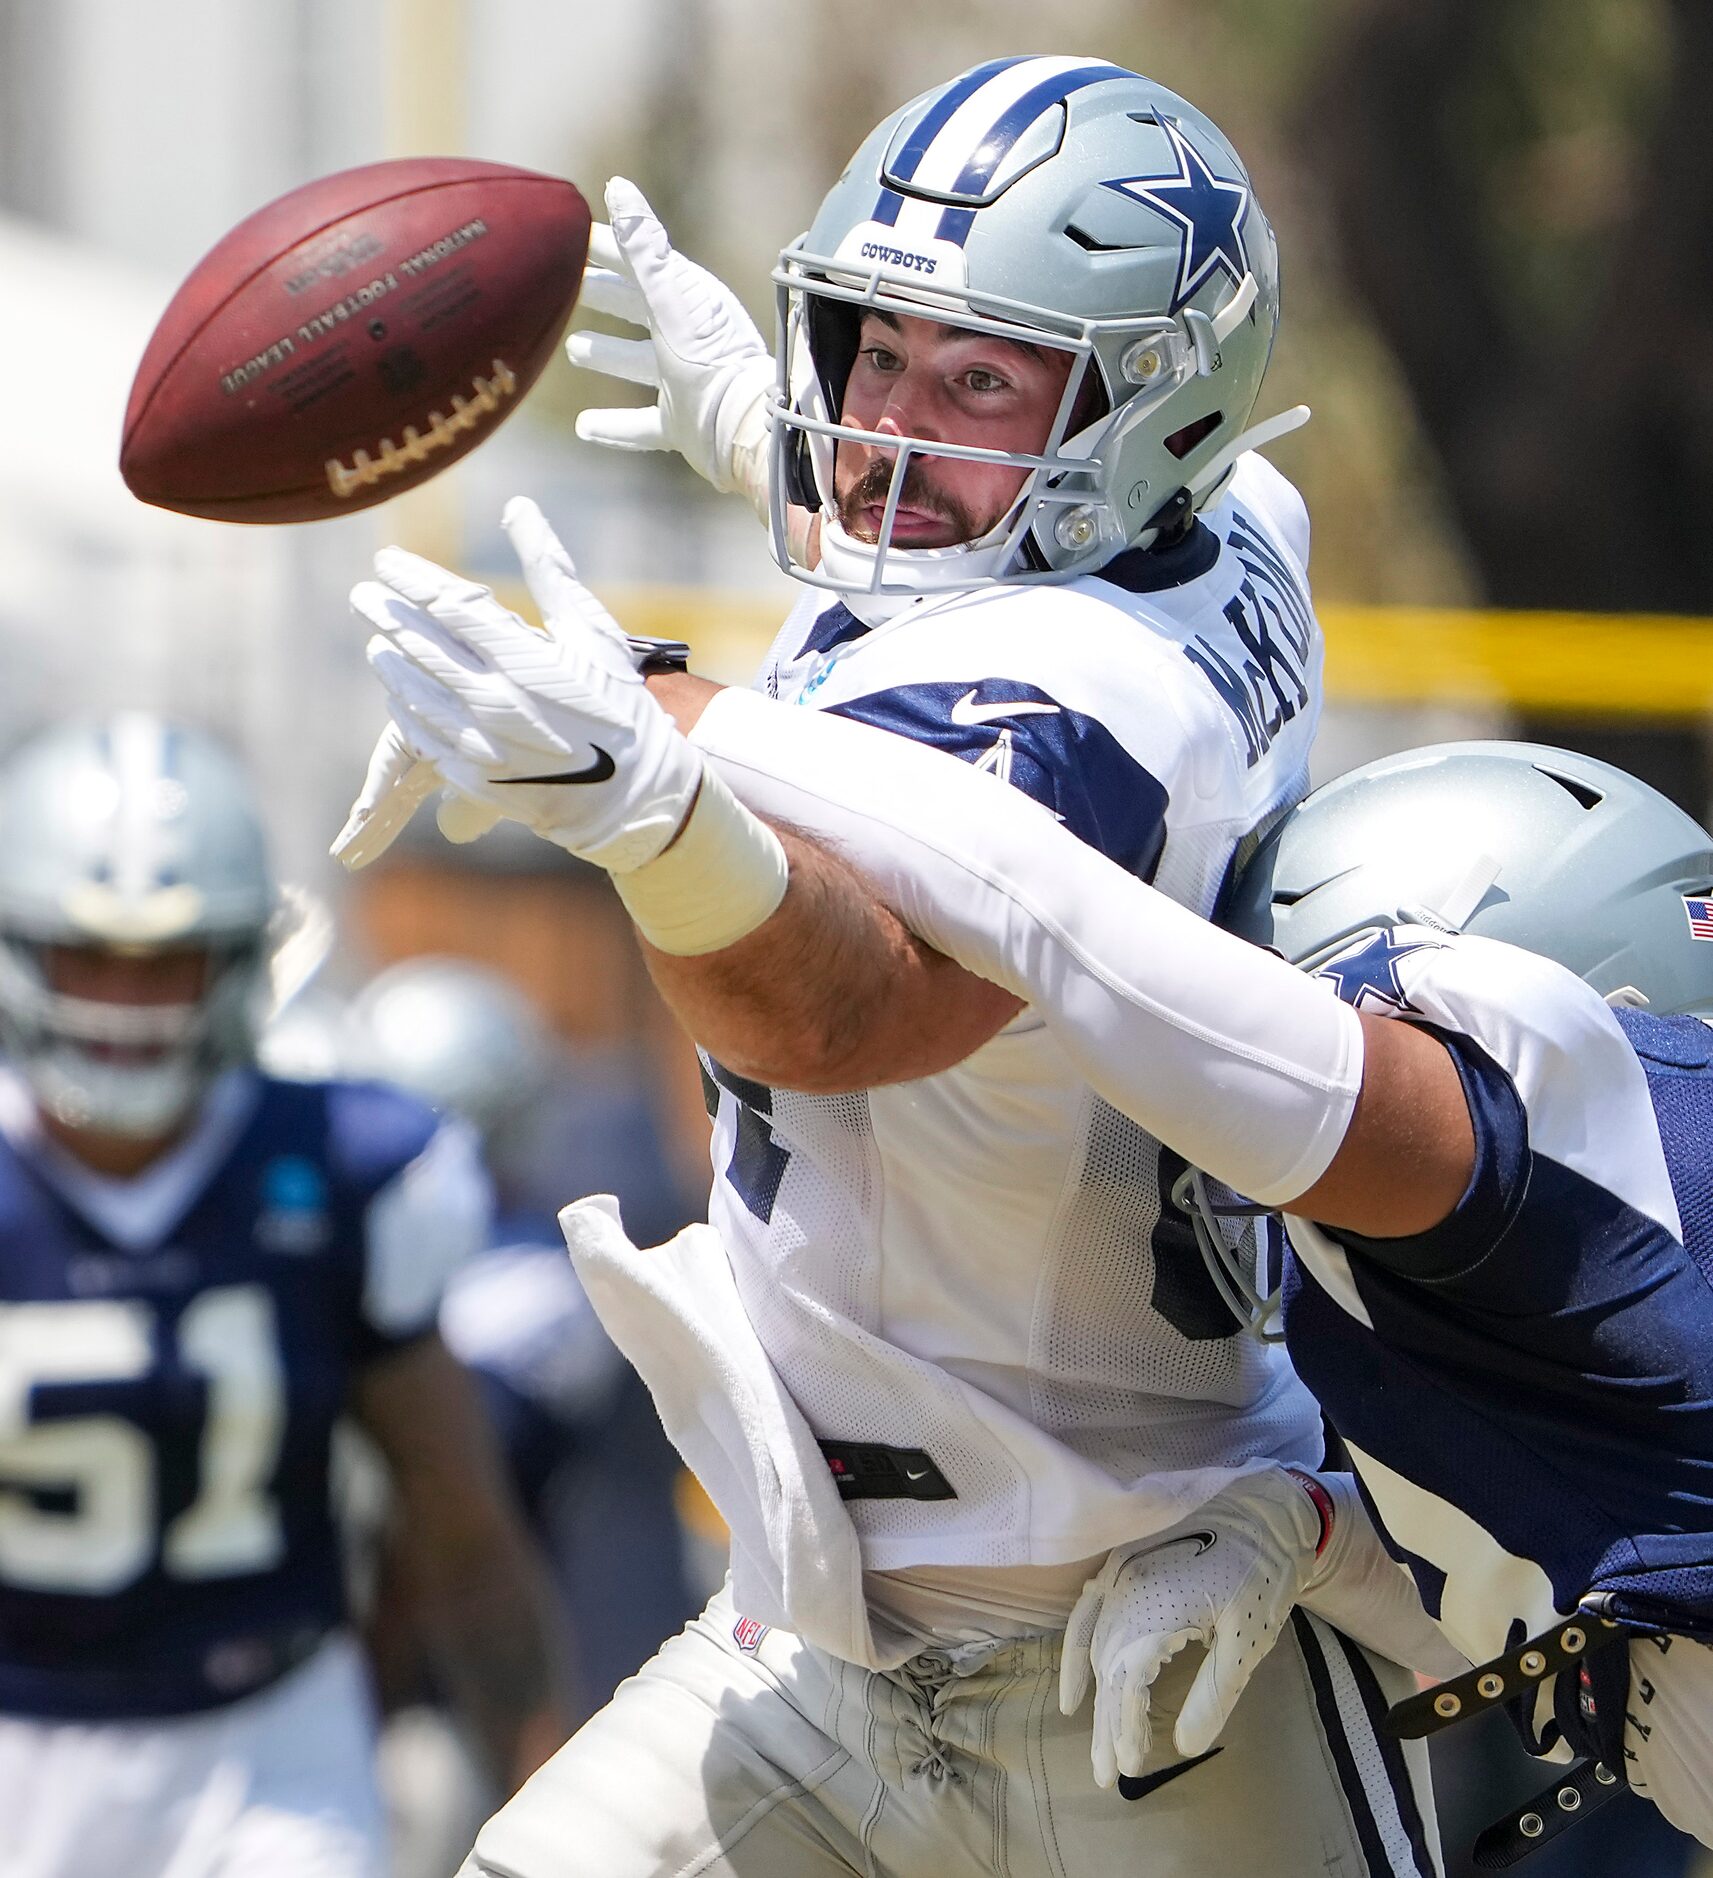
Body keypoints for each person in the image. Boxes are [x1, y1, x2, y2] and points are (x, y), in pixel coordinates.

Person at [338, 55, 1460, 1878]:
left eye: (978, 378)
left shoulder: (1092, 694)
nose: (883, 431)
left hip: (1137, 1645)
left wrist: (651, 800)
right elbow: (945, 546)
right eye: (871, 350)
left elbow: (849, 1007)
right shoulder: (1213, 517)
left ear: (1144, 414)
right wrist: (754, 422)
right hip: (819, 1646)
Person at [0, 713, 567, 1878]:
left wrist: (555, 1805)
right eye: (89, 955)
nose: (125, 1000)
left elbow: (461, 1536)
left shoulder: (348, 1167)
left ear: (240, 958)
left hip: (268, 1748)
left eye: (168, 960)